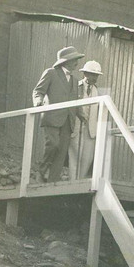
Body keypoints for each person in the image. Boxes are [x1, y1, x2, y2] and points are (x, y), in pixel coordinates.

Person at [32, 46, 85, 183]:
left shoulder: (74, 80)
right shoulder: (51, 73)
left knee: (61, 152)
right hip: (52, 117)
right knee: (53, 145)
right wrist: (38, 102)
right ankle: (41, 170)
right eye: (74, 60)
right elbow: (38, 91)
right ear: (66, 61)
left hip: (68, 120)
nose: (77, 63)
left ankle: (52, 181)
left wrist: (81, 114)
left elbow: (75, 101)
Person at [68, 60, 104, 181]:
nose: (95, 78)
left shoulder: (98, 91)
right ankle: (72, 182)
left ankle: (80, 182)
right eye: (92, 74)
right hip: (76, 127)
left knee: (87, 157)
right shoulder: (76, 87)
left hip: (90, 129)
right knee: (74, 155)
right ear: (85, 74)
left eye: (96, 75)